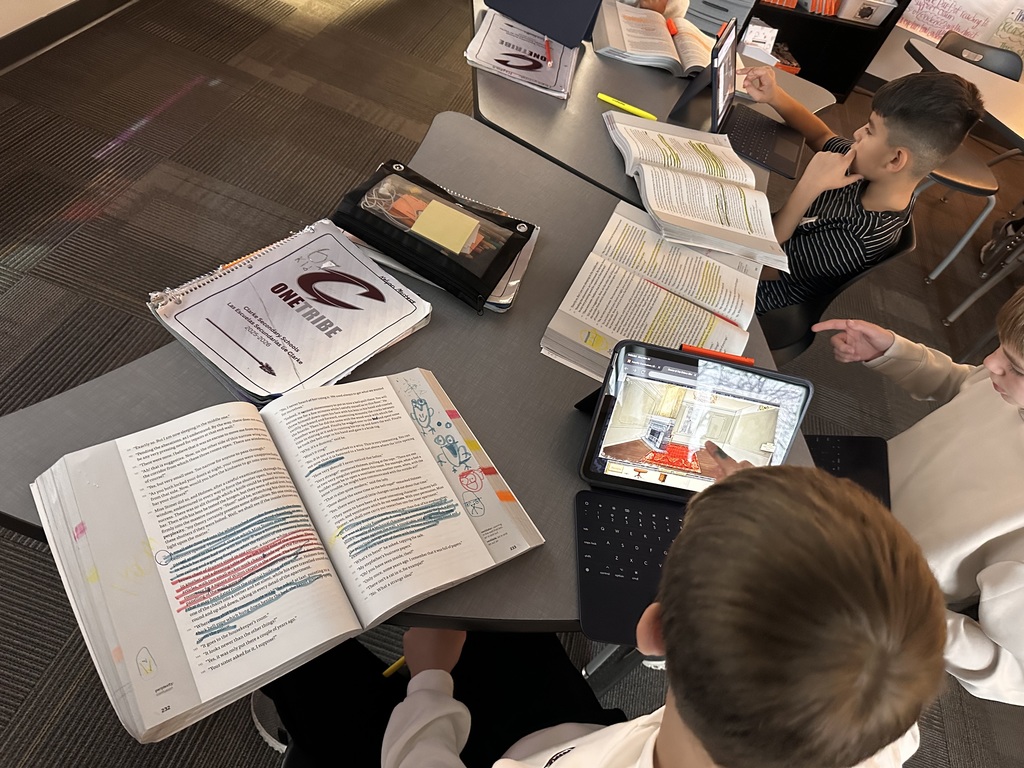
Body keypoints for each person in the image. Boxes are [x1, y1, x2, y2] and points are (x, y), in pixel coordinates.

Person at [266, 466, 947, 767]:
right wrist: (766, 506)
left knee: (304, 649)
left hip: (476, 745)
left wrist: (429, 684)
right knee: (502, 619)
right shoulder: (875, 723)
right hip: (579, 733)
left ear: (651, 631)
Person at [812, 282, 1024, 706]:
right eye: (1000, 347)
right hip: (854, 490)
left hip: (868, 585)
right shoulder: (1003, 383)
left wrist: (908, 610)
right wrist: (894, 353)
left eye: (1017, 367)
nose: (991, 363)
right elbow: (967, 384)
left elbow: (1015, 673)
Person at [739, 66, 984, 315]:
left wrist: (808, 187)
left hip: (751, 289)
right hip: (762, 236)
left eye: (869, 130)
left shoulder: (854, 240)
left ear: (895, 159)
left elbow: (755, 263)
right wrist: (775, 95)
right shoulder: (874, 171)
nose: (856, 133)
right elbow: (821, 135)